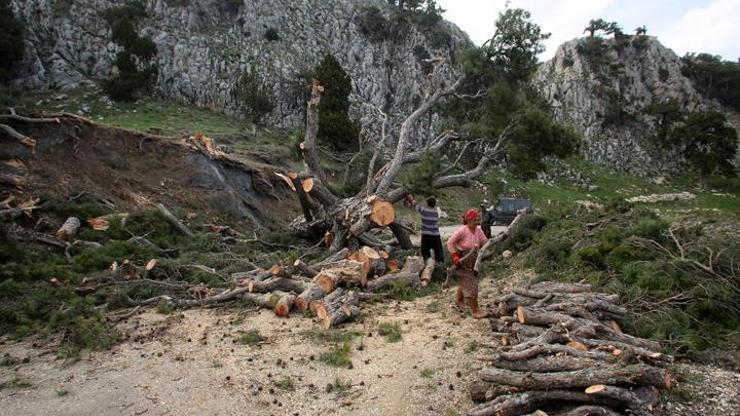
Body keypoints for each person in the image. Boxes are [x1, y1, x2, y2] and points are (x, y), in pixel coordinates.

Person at [447, 209, 489, 319]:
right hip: (463, 259)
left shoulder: (478, 231)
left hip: (473, 260)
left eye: (478, 220)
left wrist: (491, 245)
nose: (477, 222)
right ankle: (475, 311)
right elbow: (450, 242)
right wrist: (455, 256)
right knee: (471, 283)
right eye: (475, 220)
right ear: (469, 220)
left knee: (465, 280)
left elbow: (485, 242)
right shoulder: (462, 230)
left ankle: (459, 299)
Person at [405, 193, 444, 262]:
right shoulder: (436, 211)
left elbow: (415, 204)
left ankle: (427, 263)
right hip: (436, 235)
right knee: (439, 251)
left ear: (427, 203)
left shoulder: (424, 210)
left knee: (425, 251)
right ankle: (441, 264)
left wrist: (411, 198)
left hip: (426, 235)